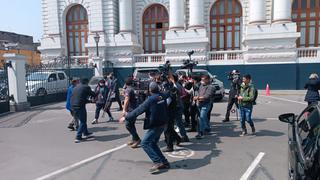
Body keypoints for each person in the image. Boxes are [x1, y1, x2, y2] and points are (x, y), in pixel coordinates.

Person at [120, 82, 170, 174]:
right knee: (153, 143)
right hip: (163, 123)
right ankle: (164, 162)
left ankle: (157, 162)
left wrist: (126, 117)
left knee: (145, 143)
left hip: (156, 125)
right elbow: (168, 92)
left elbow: (138, 111)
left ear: (150, 90)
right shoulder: (162, 95)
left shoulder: (150, 99)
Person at [71, 78, 96, 143]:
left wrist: (90, 101)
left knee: (82, 120)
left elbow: (80, 97)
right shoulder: (86, 87)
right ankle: (78, 137)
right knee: (83, 121)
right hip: (80, 107)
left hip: (73, 106)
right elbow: (93, 94)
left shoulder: (76, 87)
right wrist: (97, 93)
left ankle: (86, 133)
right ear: (86, 82)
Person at [169, 73, 190, 142]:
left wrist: (178, 98)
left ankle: (183, 136)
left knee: (178, 122)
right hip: (178, 106)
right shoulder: (177, 84)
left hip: (177, 107)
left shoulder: (176, 85)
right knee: (177, 122)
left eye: (170, 78)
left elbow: (184, 94)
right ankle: (182, 136)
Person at [193, 75, 214, 139]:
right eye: (202, 80)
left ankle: (201, 133)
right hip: (200, 104)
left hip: (206, 104)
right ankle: (207, 128)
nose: (202, 81)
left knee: (201, 117)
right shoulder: (201, 86)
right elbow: (198, 92)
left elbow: (207, 96)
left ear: (207, 80)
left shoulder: (211, 87)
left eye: (203, 80)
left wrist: (198, 97)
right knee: (204, 117)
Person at [122, 77, 141, 148]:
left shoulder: (128, 89)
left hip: (130, 110)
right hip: (135, 109)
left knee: (128, 125)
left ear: (126, 83)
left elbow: (127, 99)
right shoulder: (133, 88)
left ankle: (137, 139)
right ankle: (134, 139)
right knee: (132, 125)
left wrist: (124, 110)